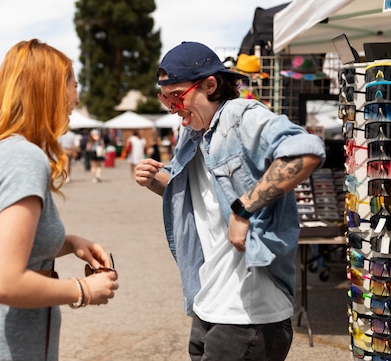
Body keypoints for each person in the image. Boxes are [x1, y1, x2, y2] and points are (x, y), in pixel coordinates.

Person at [134, 41, 326, 361]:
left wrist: (244, 208)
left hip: (249, 313)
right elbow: (204, 199)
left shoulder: (240, 114)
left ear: (210, 85)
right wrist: (158, 182)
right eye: (164, 98)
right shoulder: (192, 134)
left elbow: (306, 150)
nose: (171, 107)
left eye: (177, 96)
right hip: (209, 304)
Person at [0, 39, 118, 361]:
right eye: (73, 86)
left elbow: (1, 246)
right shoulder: (24, 158)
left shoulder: (0, 149)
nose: (76, 99)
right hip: (1, 349)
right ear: (47, 89)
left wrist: (70, 243)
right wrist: (82, 290)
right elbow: (3, 282)